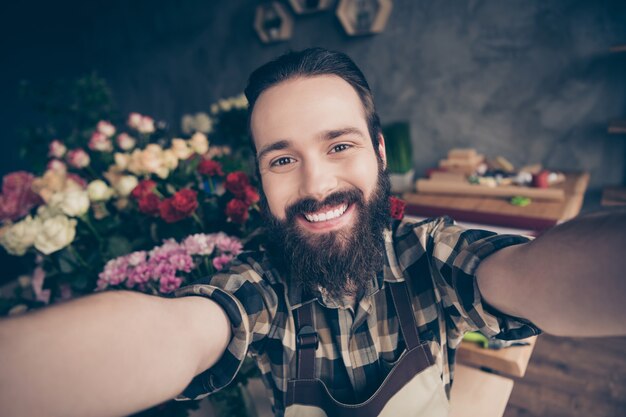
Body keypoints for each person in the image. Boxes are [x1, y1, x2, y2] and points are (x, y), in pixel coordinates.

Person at [0, 48, 625, 417]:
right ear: (260, 176)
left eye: (339, 145)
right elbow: (183, 330)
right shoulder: (259, 282)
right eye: (281, 158)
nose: (315, 183)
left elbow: (531, 276)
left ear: (379, 151)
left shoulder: (431, 255)